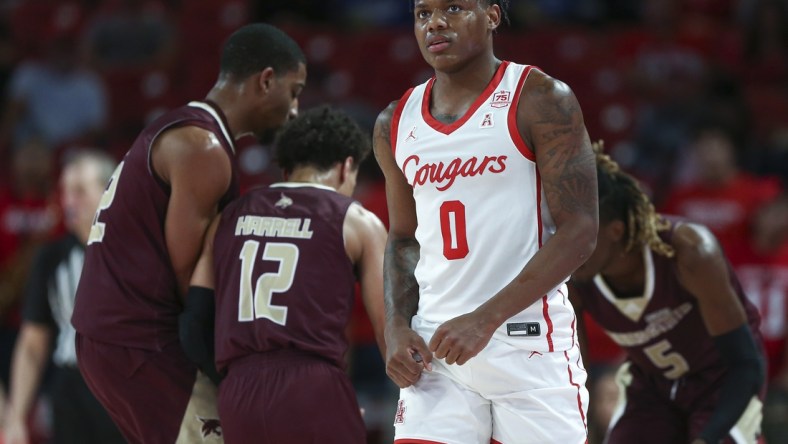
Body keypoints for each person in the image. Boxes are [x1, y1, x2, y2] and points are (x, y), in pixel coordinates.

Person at [373, 1, 599, 443]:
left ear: (492, 15)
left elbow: (581, 230)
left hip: (529, 346)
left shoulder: (540, 98)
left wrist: (485, 319)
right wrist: (396, 326)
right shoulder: (394, 121)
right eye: (423, 14)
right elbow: (403, 239)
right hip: (436, 354)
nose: (435, 23)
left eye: (453, 8)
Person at [70, 23, 306, 444]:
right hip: (141, 340)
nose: (294, 110)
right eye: (293, 91)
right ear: (266, 80)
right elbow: (190, 283)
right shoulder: (203, 149)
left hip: (112, 336)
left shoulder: (186, 129)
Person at [179, 105, 387, 443]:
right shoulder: (356, 220)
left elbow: (193, 326)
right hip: (314, 387)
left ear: (286, 168)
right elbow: (389, 333)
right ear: (347, 165)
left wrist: (238, 383)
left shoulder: (229, 216)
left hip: (238, 391)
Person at [569, 143, 766, 444]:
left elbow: (745, 365)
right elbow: (577, 379)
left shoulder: (689, 251)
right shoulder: (575, 276)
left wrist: (707, 439)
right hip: (652, 387)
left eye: (578, 233)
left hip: (723, 381)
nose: (567, 243)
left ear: (615, 230)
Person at [3, 151, 123, 444]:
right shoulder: (50, 257)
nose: (69, 201)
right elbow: (33, 342)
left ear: (110, 190)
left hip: (126, 389)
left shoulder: (136, 251)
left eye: (80, 190)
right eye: (65, 191)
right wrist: (16, 417)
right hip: (71, 390)